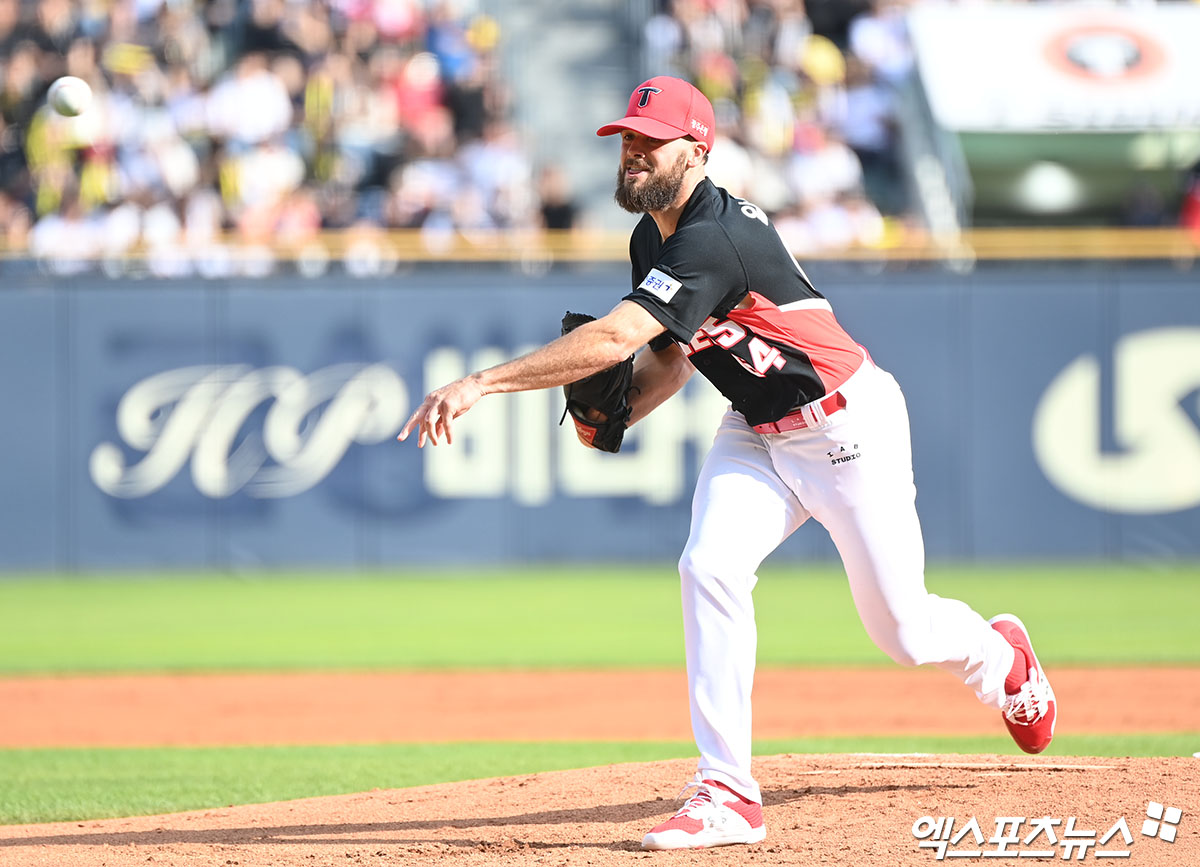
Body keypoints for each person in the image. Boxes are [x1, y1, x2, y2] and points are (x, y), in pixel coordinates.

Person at [398, 76, 1057, 851]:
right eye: (626, 138)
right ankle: (727, 792)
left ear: (698, 149)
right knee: (707, 566)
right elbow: (671, 362)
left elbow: (615, 339)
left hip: (848, 427)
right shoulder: (655, 234)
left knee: (903, 630)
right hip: (755, 429)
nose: (632, 150)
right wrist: (619, 415)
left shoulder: (714, 235)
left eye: (650, 138)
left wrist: (482, 381)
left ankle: (1002, 659)